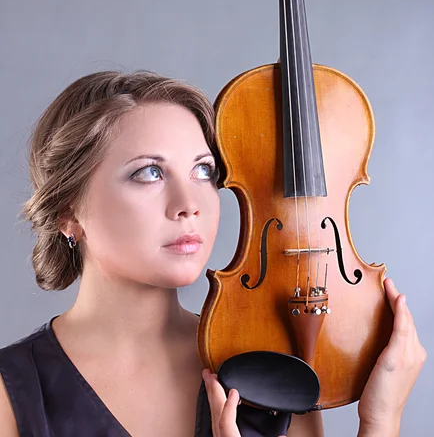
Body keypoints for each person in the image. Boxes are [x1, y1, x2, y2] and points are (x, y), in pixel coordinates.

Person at [0, 70, 426, 437]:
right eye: (149, 173)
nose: (190, 203)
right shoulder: (11, 389)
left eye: (204, 171)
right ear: (67, 212)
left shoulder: (272, 365)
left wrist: (380, 421)